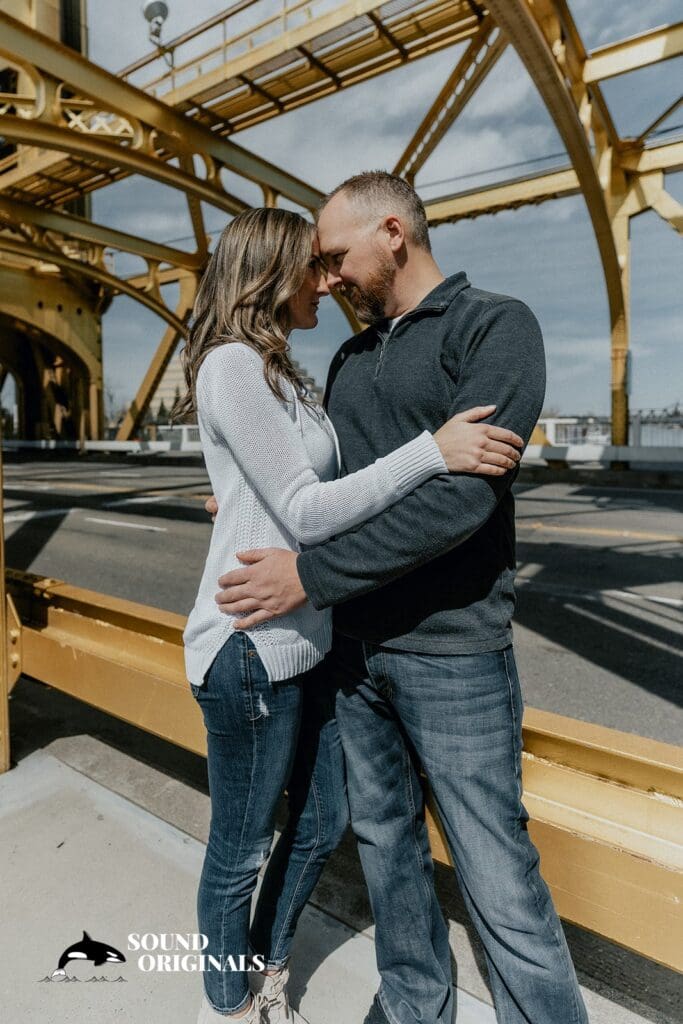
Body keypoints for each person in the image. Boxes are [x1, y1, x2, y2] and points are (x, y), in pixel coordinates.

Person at [213, 173, 590, 1024]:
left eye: (337, 257)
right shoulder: (348, 358)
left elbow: (460, 500)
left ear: (394, 232)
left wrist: (311, 578)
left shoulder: (495, 326)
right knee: (385, 850)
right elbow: (331, 492)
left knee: (494, 867)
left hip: (452, 652)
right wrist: (246, 500)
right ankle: (415, 1002)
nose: (330, 277)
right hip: (352, 654)